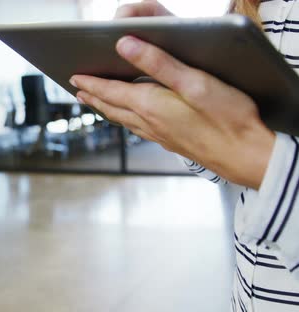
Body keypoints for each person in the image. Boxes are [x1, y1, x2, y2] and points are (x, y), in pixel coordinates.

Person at [70, 0, 299, 311]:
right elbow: (221, 169)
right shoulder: (251, 10)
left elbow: (254, 157)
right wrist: (188, 68)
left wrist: (264, 165)